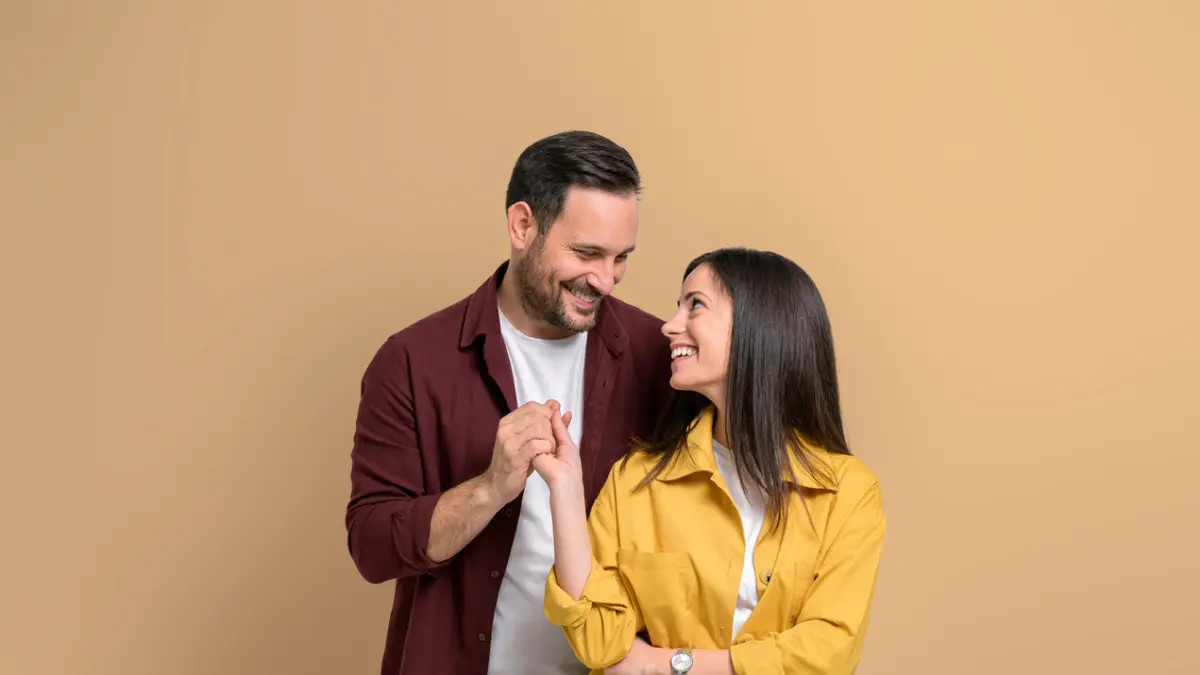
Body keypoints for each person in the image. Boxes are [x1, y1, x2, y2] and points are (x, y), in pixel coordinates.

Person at [344, 130, 673, 675]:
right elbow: (373, 548)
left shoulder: (659, 357)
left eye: (621, 258)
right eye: (587, 253)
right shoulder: (411, 361)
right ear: (522, 226)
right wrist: (490, 487)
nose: (605, 280)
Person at [532, 248, 887, 675]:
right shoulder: (638, 478)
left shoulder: (848, 493)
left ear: (760, 326)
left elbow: (826, 654)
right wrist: (566, 492)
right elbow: (599, 641)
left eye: (695, 305)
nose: (669, 326)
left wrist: (665, 665)